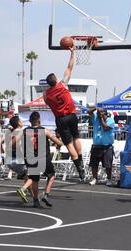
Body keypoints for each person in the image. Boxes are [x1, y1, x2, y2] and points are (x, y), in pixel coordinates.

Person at [43, 46, 85, 181]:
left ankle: (79, 168)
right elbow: (69, 67)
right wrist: (72, 53)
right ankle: (81, 161)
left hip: (60, 119)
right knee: (76, 138)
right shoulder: (63, 84)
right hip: (71, 115)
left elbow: (47, 101)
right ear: (56, 80)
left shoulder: (46, 95)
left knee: (68, 144)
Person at [23, 112, 63, 208]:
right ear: (39, 120)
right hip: (43, 157)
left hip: (31, 158)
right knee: (51, 175)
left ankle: (36, 200)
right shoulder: (44, 131)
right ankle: (46, 194)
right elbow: (59, 143)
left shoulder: (25, 131)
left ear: (30, 121)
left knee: (35, 180)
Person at [0, 116, 35, 203]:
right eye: (21, 121)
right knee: (34, 176)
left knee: (27, 178)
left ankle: (34, 198)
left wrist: (3, 151)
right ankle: (22, 190)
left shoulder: (9, 132)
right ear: (19, 123)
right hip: (19, 159)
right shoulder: (22, 131)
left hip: (10, 161)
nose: (22, 122)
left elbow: (0, 142)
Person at [87, 107, 116, 186]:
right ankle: (95, 178)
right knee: (94, 164)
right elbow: (88, 112)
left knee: (108, 165)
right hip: (96, 146)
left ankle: (109, 179)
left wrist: (101, 119)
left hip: (107, 147)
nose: (100, 116)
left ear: (106, 115)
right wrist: (95, 108)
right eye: (99, 114)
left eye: (103, 114)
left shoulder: (110, 120)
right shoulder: (96, 118)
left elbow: (105, 127)